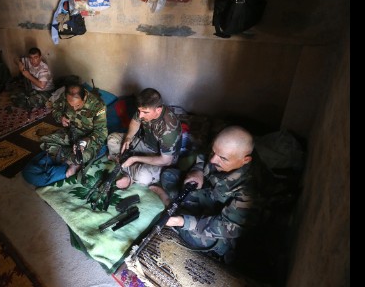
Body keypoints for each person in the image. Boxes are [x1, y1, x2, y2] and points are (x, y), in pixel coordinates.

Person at [151, 125, 261, 263]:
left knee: (201, 238)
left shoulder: (249, 190)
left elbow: (228, 227)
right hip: (208, 195)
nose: (214, 160)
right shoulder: (221, 151)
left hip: (222, 227)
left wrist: (183, 222)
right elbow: (203, 156)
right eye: (214, 152)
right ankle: (177, 209)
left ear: (245, 160)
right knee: (169, 175)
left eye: (222, 158)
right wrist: (198, 171)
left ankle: (171, 207)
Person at [22, 82, 107, 186]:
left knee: (80, 157)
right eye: (71, 105)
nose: (75, 108)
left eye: (78, 105)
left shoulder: (98, 106)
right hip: (71, 133)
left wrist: (85, 141)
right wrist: (61, 118)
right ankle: (67, 158)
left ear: (84, 97)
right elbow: (56, 110)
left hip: (89, 138)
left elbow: (101, 133)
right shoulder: (65, 97)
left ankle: (70, 162)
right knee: (45, 140)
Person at [106, 88, 182, 189]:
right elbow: (135, 122)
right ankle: (127, 166)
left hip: (161, 156)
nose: (141, 115)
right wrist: (128, 137)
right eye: (139, 111)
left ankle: (128, 173)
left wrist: (134, 158)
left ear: (158, 110)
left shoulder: (169, 130)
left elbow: (166, 161)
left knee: (144, 177)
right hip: (145, 144)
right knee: (112, 139)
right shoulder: (143, 110)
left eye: (145, 112)